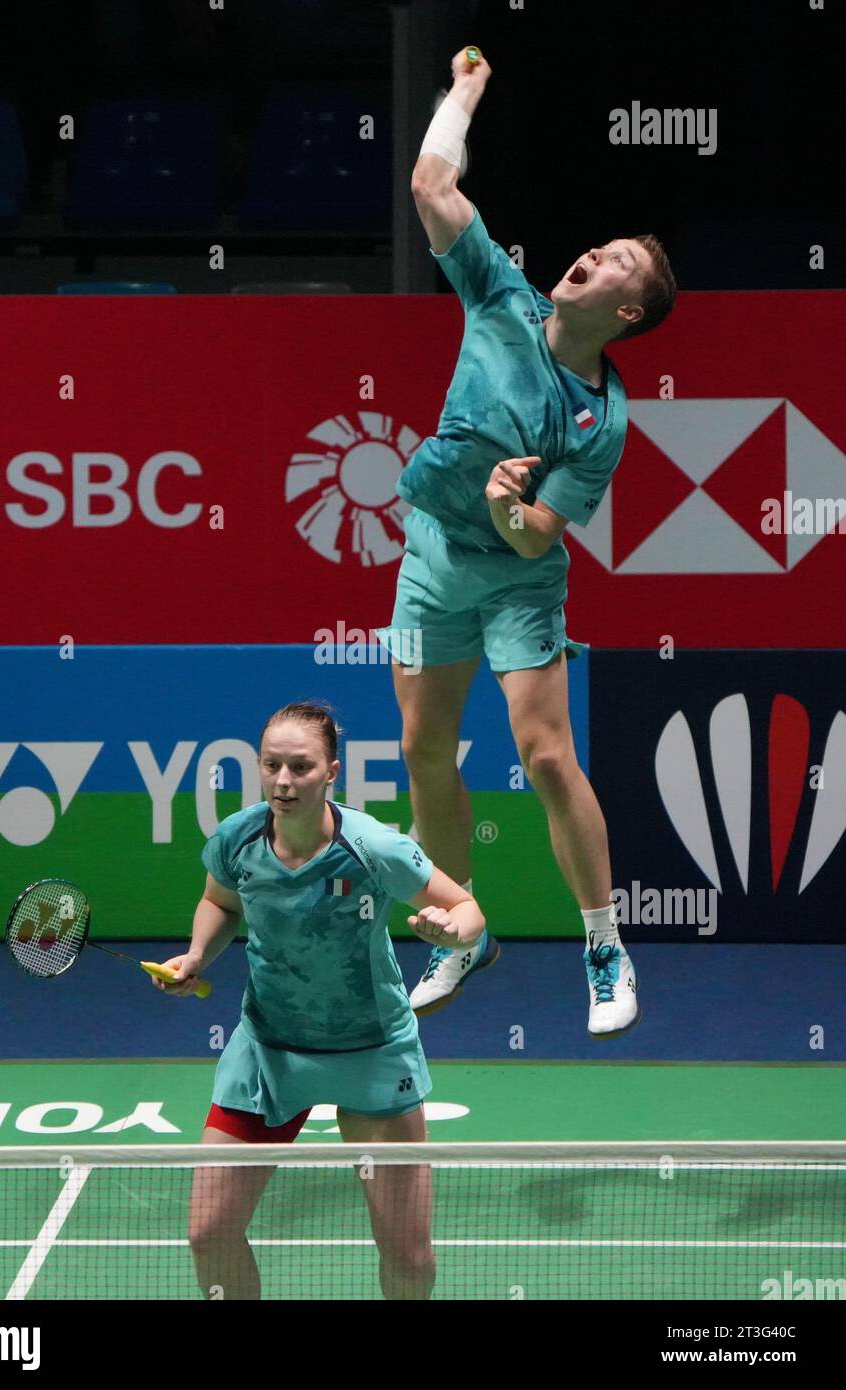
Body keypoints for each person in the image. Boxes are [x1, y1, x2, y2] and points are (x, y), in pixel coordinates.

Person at [378, 46, 677, 1035]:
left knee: (546, 755)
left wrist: (514, 504)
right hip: (432, 553)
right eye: (598, 246)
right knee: (425, 749)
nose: (589, 256)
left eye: (615, 266)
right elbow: (432, 181)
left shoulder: (604, 421)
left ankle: (603, 947)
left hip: (517, 578)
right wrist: (463, 91)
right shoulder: (501, 296)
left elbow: (539, 533)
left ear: (625, 312)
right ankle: (460, 929)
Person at [154, 700, 485, 1300]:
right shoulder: (238, 838)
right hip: (269, 1050)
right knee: (208, 1231)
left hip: (370, 1050)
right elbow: (221, 904)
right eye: (272, 765)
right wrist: (198, 954)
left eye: (301, 767)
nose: (283, 781)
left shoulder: (372, 847)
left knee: (407, 1254)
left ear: (332, 771)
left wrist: (449, 930)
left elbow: (470, 912)